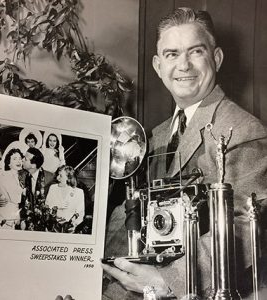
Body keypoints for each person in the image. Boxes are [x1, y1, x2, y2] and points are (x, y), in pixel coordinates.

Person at [102, 7, 267, 300]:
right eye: (172, 54)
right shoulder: (154, 135)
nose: (184, 65)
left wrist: (167, 280)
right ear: (157, 65)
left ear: (215, 58)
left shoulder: (243, 129)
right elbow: (132, 211)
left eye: (195, 52)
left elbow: (245, 228)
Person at [0, 142, 24, 229]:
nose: (18, 161)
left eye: (20, 158)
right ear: (9, 163)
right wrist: (2, 161)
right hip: (1, 218)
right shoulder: (2, 175)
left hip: (14, 220)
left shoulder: (22, 177)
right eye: (14, 159)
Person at [46, 165, 85, 231]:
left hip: (70, 229)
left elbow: (80, 213)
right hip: (53, 228)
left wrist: (74, 225)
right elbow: (47, 207)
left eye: (60, 176)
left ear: (69, 178)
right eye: (58, 175)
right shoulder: (53, 188)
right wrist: (57, 207)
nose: (57, 178)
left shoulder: (79, 192)